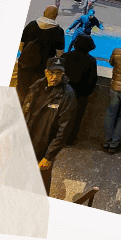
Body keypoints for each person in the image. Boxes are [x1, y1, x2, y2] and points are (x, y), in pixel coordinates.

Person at [21, 56, 77, 195]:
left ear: (63, 73)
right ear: (46, 72)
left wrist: (49, 156)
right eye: (52, 73)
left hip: (43, 149)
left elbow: (64, 129)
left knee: (40, 186)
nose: (55, 76)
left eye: (59, 73)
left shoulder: (67, 95)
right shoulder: (37, 87)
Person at [16, 5, 66, 107]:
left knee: (20, 90)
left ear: (44, 13)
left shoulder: (32, 25)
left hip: (24, 65)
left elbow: (21, 46)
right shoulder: (58, 31)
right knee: (36, 93)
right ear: (55, 16)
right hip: (42, 68)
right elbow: (59, 54)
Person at [62, 34, 98, 147]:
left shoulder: (65, 56)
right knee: (76, 118)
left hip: (63, 92)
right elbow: (92, 80)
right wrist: (87, 93)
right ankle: (69, 139)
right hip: (80, 95)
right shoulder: (91, 61)